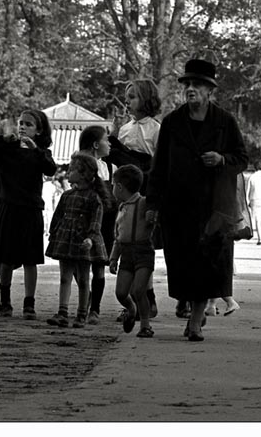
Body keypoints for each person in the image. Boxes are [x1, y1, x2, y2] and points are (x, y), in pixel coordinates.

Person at [146, 58, 248, 341]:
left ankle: (194, 320)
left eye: (197, 85)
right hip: (176, 206)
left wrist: (221, 159)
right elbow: (159, 166)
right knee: (182, 263)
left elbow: (242, 159)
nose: (190, 89)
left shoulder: (225, 122)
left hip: (214, 208)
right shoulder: (171, 122)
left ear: (209, 91)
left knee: (207, 263)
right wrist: (152, 205)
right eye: (187, 84)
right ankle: (194, 310)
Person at [0, 108, 56, 319]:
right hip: (7, 207)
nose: (23, 127)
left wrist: (35, 149)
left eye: (29, 124)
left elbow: (50, 169)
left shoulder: (42, 152)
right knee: (5, 258)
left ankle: (29, 303)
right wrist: (4, 138)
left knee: (31, 260)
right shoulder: (7, 149)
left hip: (32, 209)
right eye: (21, 123)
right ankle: (5, 301)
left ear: (39, 130)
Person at [108, 78, 162, 320]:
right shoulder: (125, 129)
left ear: (147, 100)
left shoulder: (156, 129)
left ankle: (146, 299)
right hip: (126, 195)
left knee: (143, 245)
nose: (128, 102)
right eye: (127, 97)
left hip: (147, 192)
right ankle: (138, 299)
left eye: (133, 97)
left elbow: (159, 164)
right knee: (127, 242)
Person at [46, 152, 109, 328]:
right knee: (65, 277)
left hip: (83, 243)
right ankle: (62, 312)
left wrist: (90, 238)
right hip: (66, 241)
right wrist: (53, 233)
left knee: (83, 279)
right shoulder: (67, 195)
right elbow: (58, 216)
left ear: (84, 174)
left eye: (72, 169)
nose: (68, 171)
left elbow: (96, 222)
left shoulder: (94, 198)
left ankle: (82, 313)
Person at [109, 164, 156, 338]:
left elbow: (153, 212)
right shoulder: (121, 208)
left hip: (143, 251)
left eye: (113, 185)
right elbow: (119, 237)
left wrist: (152, 216)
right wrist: (114, 258)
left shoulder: (143, 202)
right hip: (126, 253)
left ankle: (145, 324)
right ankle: (131, 308)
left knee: (139, 290)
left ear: (119, 187)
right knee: (121, 292)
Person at [78, 125, 118, 324]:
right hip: (84, 220)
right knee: (81, 264)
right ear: (96, 144)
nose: (110, 144)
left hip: (106, 221)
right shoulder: (80, 164)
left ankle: (95, 308)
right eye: (106, 140)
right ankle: (85, 301)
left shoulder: (110, 167)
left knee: (99, 265)